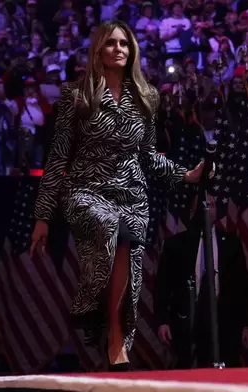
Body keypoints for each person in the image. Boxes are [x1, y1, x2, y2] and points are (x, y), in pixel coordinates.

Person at [28, 21, 210, 370]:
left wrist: (186, 175)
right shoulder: (75, 95)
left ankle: (114, 339)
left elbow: (148, 155)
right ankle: (92, 310)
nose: (118, 48)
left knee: (130, 264)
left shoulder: (147, 96)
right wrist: (42, 217)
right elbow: (57, 157)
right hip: (86, 191)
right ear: (98, 49)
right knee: (114, 228)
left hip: (131, 195)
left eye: (124, 43)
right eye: (110, 43)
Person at [154, 194, 248, 369]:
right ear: (193, 210)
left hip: (225, 323)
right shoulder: (176, 245)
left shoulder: (231, 244)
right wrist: (162, 321)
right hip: (188, 321)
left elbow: (242, 287)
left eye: (212, 205)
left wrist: (246, 325)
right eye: (203, 204)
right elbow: (162, 286)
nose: (207, 209)